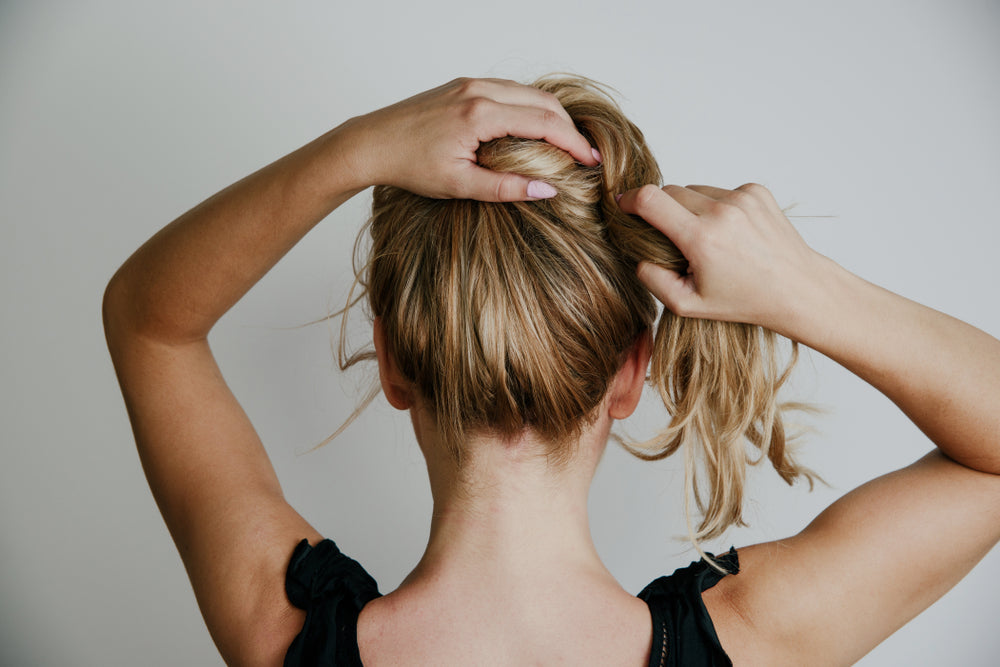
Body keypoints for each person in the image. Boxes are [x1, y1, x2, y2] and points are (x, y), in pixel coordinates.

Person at [102, 75, 1000, 666]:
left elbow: (150, 323)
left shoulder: (283, 629)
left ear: (392, 359)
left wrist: (356, 148)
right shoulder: (755, 640)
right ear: (628, 374)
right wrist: (802, 286)